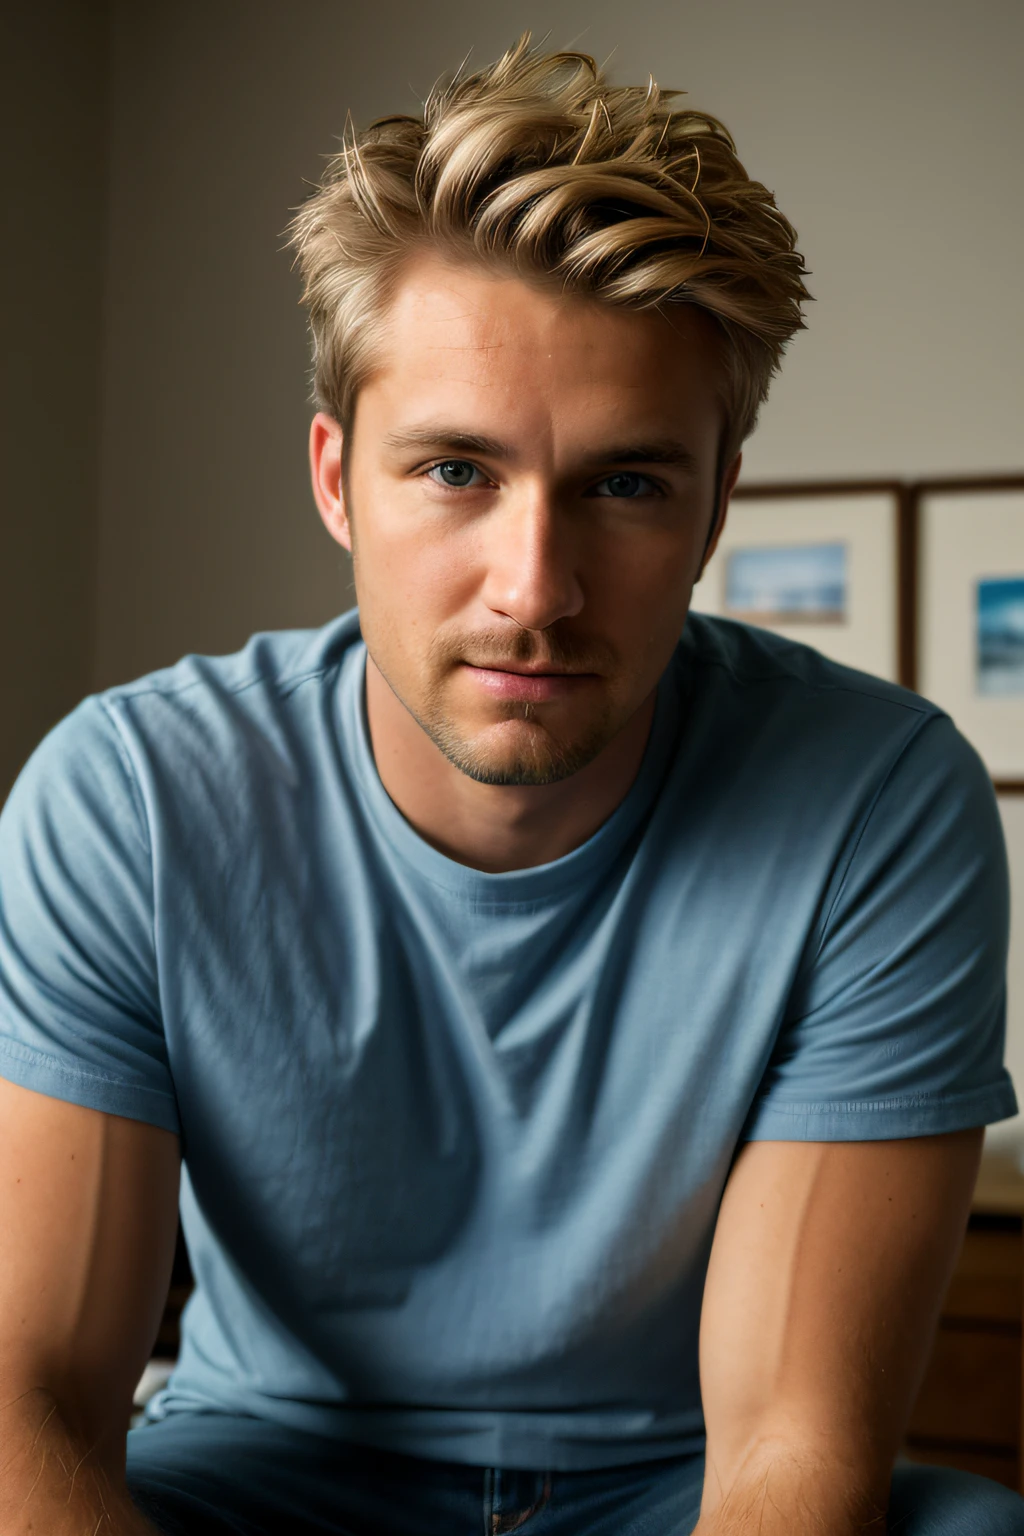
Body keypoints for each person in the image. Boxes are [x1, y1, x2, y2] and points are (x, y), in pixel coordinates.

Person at [1, 31, 1022, 1536]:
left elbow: (792, 1455)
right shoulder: (130, 796)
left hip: (668, 1492)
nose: (534, 590)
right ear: (339, 477)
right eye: (456, 472)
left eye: (624, 483)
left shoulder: (878, 799)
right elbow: (30, 1398)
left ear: (717, 495)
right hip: (261, 1478)